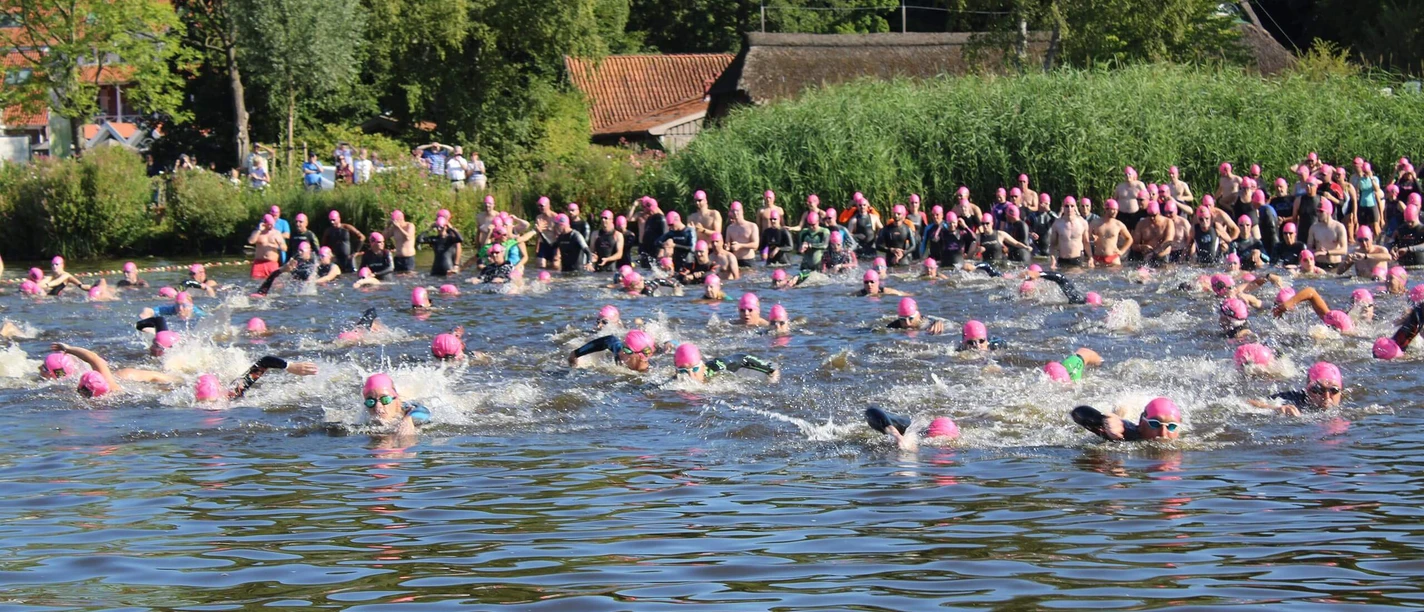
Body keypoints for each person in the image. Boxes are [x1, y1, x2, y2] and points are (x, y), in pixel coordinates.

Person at [49, 342, 182, 398]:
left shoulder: (113, 390)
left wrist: (68, 349)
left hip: (136, 377)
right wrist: (68, 349)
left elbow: (94, 359)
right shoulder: (112, 388)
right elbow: (94, 359)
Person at [195, 356, 319, 403]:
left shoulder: (234, 392)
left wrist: (290, 366)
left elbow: (265, 361)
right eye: (204, 403)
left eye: (213, 402)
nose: (210, 407)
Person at [1249, 362, 1344, 416]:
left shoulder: (1352, 408)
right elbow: (1248, 403)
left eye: (1334, 390)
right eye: (1318, 390)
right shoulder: (1294, 399)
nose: (1326, 397)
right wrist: (1276, 409)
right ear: (1307, 390)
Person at [1071, 397, 1182, 442]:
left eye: (1171, 426)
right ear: (1141, 423)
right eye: (1155, 424)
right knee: (1119, 415)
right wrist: (1103, 420)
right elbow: (1079, 412)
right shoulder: (1128, 432)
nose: (1163, 433)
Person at [361, 373, 431, 438]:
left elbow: (424, 411)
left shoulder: (406, 409)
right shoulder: (363, 419)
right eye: (371, 401)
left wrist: (408, 419)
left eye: (385, 400)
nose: (378, 407)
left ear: (397, 401)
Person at [673, 342, 779, 383]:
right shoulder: (675, 381)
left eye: (695, 369)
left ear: (702, 366)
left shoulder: (718, 367)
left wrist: (770, 369)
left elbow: (740, 358)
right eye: (683, 371)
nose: (691, 376)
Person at [568, 329, 660, 372]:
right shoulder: (621, 354)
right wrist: (575, 354)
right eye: (623, 346)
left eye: (627, 350)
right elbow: (609, 340)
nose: (621, 352)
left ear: (641, 356)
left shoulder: (652, 373)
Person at [1048, 196, 1093, 269]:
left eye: (1072, 206)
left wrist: (1091, 258)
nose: (1069, 209)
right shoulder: (1057, 224)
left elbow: (1086, 243)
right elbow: (1053, 245)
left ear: (1075, 207)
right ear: (1063, 207)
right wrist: (1053, 260)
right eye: (1067, 206)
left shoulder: (1082, 223)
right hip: (1062, 260)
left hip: (1078, 259)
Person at [1090, 199, 1133, 266]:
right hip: (1098, 258)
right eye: (1113, 209)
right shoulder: (1095, 223)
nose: (1115, 212)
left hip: (1113, 258)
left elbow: (1129, 239)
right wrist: (1092, 239)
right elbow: (1086, 238)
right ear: (1106, 209)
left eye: (1116, 210)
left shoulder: (1118, 224)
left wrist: (1121, 251)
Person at [1307, 200, 1349, 267]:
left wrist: (1327, 252)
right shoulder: (1314, 228)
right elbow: (1308, 249)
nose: (1318, 214)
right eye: (1317, 211)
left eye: (1321, 211)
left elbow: (1344, 250)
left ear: (1329, 212)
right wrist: (1316, 251)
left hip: (1335, 264)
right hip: (1319, 264)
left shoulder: (1339, 227)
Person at [246, 214, 286, 279]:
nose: (271, 226)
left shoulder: (277, 233)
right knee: (255, 283)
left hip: (272, 263)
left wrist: (278, 246)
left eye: (272, 224)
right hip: (258, 264)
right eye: (269, 224)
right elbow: (251, 241)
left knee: (275, 284)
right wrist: (259, 230)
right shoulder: (257, 233)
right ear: (264, 224)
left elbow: (285, 248)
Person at [725, 202, 760, 269]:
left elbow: (755, 245)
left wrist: (740, 245)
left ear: (742, 211)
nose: (735, 213)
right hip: (735, 260)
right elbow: (727, 244)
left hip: (748, 260)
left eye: (737, 210)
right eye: (733, 211)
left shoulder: (752, 226)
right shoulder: (730, 228)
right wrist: (727, 247)